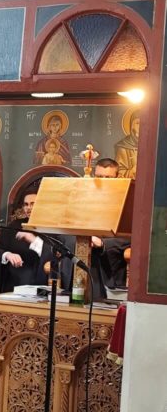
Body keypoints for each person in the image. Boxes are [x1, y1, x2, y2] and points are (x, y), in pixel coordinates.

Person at [0, 190, 53, 292]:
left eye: (33, 204)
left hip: (38, 283)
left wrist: (34, 240)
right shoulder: (15, 225)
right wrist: (7, 255)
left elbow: (54, 255)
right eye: (26, 204)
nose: (29, 208)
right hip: (12, 283)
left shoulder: (50, 227)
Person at [92, 158, 130, 290]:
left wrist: (103, 243)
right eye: (99, 177)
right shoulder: (84, 196)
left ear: (117, 177)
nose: (103, 181)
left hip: (110, 257)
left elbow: (132, 237)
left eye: (108, 178)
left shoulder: (127, 201)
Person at [114, 110, 140, 179]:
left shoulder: (152, 144)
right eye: (137, 123)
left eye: (144, 123)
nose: (140, 126)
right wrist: (132, 171)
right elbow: (118, 172)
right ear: (132, 125)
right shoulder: (123, 146)